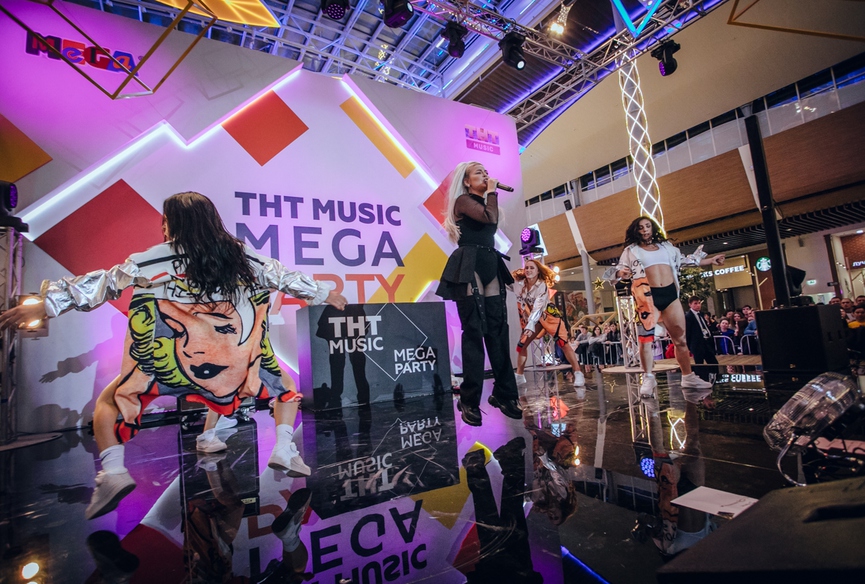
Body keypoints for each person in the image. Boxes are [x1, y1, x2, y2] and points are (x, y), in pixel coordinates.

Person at [0, 192, 348, 520]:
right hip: (234, 364)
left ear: (170, 223)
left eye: (164, 220)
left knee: (109, 401)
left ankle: (114, 471)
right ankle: (284, 447)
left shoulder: (151, 259)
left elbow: (103, 284)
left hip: (173, 364)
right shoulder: (242, 257)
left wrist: (47, 304)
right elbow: (284, 277)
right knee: (285, 388)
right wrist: (325, 294)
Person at [436, 161, 521, 427]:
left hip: (489, 261)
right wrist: (493, 192)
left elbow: (490, 218)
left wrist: (491, 194)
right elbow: (489, 218)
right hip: (468, 263)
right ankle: (469, 400)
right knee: (474, 331)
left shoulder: (487, 202)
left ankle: (505, 394)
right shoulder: (463, 201)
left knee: (498, 330)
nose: (485, 176)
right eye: (479, 173)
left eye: (486, 172)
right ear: (466, 181)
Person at [605, 217, 725, 397]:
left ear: (653, 228)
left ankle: (688, 376)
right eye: (641, 227)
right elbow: (612, 273)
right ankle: (648, 377)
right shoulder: (630, 251)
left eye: (648, 226)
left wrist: (711, 260)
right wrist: (620, 273)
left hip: (670, 295)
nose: (645, 230)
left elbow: (686, 261)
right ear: (635, 231)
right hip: (647, 297)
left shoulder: (667, 247)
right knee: (645, 340)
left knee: (680, 339)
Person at [512, 259, 586, 386]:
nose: (528, 270)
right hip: (533, 317)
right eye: (527, 268)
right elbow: (513, 290)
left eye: (532, 268)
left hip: (549, 315)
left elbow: (538, 307)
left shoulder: (541, 285)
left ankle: (578, 373)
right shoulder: (521, 284)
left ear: (538, 271)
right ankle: (519, 375)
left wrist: (530, 324)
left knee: (563, 343)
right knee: (522, 344)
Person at [685, 296, 718, 379]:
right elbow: (688, 332)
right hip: (697, 344)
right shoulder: (688, 316)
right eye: (695, 303)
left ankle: (715, 378)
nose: (698, 305)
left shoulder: (701, 314)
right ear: (690, 305)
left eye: (699, 303)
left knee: (713, 362)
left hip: (706, 342)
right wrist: (688, 346)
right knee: (699, 364)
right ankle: (701, 379)